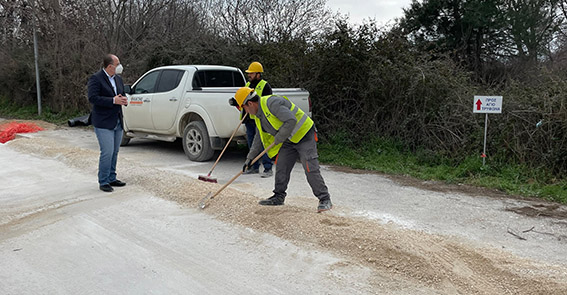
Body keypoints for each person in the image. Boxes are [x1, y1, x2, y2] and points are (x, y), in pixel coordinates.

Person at [232, 87, 332, 212]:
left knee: (310, 168)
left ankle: (324, 199)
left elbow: (291, 120)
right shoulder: (258, 115)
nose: (244, 112)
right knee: (282, 166)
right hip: (288, 139)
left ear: (250, 103)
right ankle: (278, 196)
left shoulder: (272, 103)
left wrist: (279, 138)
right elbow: (259, 138)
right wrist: (250, 158)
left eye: (243, 108)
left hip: (304, 134)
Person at [87, 54, 128, 192]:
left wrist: (123, 100)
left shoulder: (118, 79)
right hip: (103, 121)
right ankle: (103, 181)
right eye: (118, 64)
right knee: (107, 152)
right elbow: (93, 98)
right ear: (110, 66)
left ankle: (112, 177)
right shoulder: (96, 78)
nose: (120, 66)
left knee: (115, 151)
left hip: (117, 119)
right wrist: (112, 100)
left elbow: (120, 94)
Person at [242, 61, 273, 178]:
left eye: (252, 73)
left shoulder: (265, 86)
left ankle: (268, 168)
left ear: (258, 74)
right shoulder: (247, 85)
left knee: (263, 143)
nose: (249, 75)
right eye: (249, 73)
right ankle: (254, 167)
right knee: (252, 144)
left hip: (260, 119)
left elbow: (267, 102)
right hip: (249, 119)